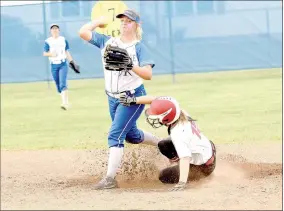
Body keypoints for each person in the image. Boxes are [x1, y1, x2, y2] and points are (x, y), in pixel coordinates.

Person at [79, 9, 161, 190]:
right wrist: (98, 21)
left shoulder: (139, 47)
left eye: (129, 21)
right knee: (131, 135)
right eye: (122, 21)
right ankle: (160, 143)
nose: (124, 23)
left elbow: (148, 74)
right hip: (112, 97)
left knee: (115, 135)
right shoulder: (108, 41)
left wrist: (130, 65)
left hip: (132, 97)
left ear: (136, 25)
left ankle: (110, 179)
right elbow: (83, 32)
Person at [119, 94, 217, 191]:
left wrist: (181, 183)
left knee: (164, 177)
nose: (153, 115)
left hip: (204, 167)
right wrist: (133, 100)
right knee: (163, 144)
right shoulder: (180, 113)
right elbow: (155, 100)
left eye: (156, 115)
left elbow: (185, 158)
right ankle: (184, 166)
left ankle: (198, 175)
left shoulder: (179, 133)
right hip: (208, 148)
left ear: (166, 118)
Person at [43, 24, 80, 110]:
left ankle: (65, 103)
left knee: (63, 83)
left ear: (59, 30)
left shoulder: (63, 40)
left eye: (56, 29)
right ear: (50, 31)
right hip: (54, 65)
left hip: (63, 64)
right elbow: (44, 53)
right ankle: (63, 98)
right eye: (53, 29)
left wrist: (72, 62)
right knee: (58, 84)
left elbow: (66, 52)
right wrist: (51, 54)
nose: (55, 30)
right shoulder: (48, 41)